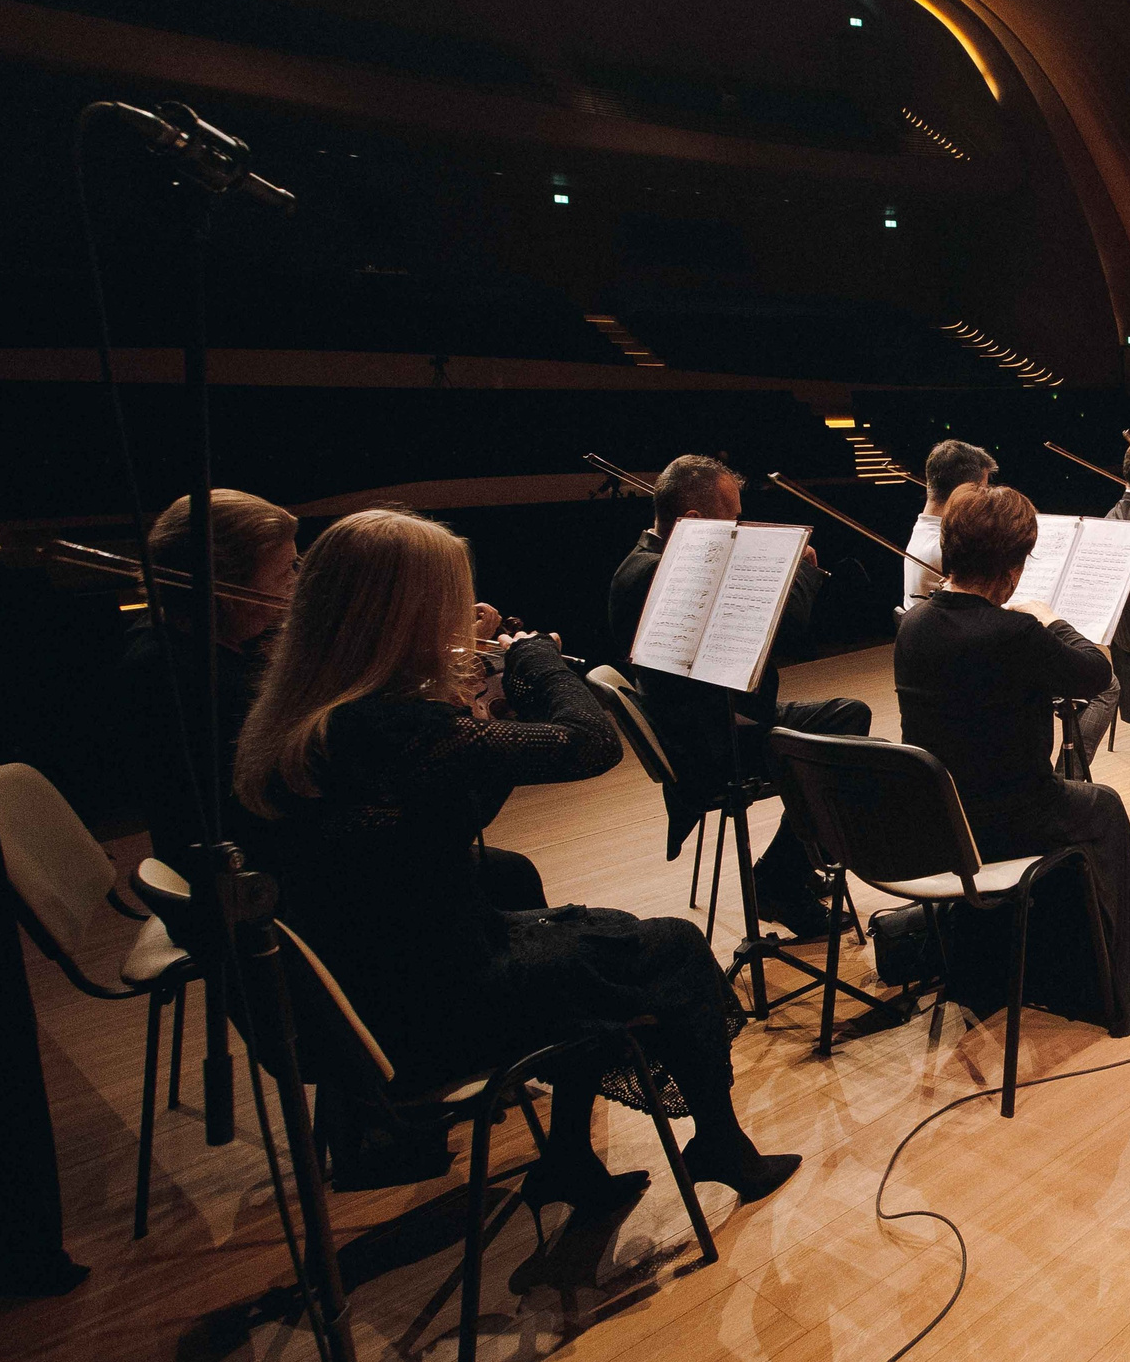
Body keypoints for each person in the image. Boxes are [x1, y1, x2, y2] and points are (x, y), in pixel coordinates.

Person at [238, 509, 798, 1216]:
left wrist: (483, 714)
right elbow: (590, 744)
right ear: (402, 616)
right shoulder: (393, 726)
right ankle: (719, 1144)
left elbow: (456, 811)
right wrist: (536, 659)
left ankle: (568, 1162)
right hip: (436, 1010)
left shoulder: (310, 713)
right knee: (674, 947)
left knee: (583, 937)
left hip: (383, 985)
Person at [895, 484, 1130, 1031]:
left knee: (1088, 801)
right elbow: (1096, 673)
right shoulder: (1014, 631)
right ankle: (1121, 959)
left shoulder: (914, 624)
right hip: (1009, 819)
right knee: (1105, 805)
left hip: (940, 821)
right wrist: (1049, 619)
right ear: (1012, 571)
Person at [606, 456, 865, 940]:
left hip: (717, 722)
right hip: (712, 745)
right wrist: (799, 571)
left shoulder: (642, 561)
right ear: (693, 521)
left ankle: (792, 866)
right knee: (843, 746)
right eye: (734, 520)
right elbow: (787, 633)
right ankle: (781, 879)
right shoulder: (665, 574)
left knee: (849, 717)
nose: (740, 530)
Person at [117, 489, 300, 873]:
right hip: (241, 875)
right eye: (285, 572)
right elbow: (275, 797)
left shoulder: (209, 636)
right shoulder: (174, 673)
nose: (294, 585)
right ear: (224, 587)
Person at [904, 438, 996, 609]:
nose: (983, 498)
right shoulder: (944, 548)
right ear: (965, 491)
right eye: (982, 490)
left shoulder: (924, 529)